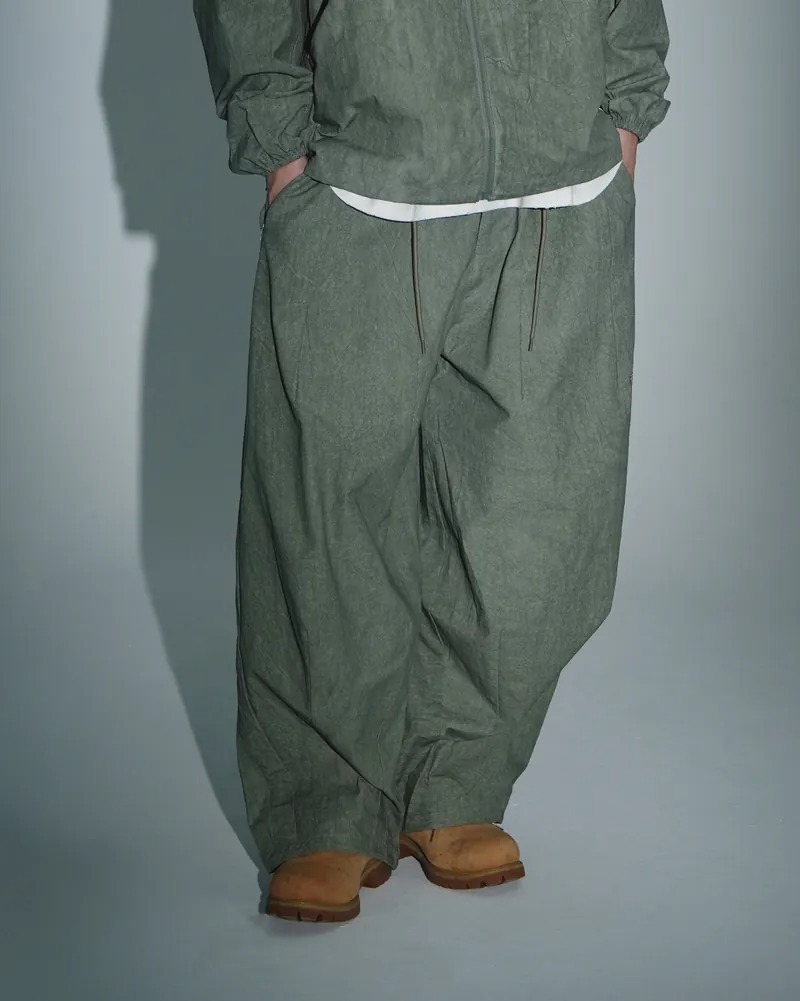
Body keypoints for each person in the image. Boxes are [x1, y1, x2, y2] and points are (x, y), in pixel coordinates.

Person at [193, 0, 670, 923]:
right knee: (326, 511)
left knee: (538, 516)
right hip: (364, 174)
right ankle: (326, 806)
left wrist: (623, 113)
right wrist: (281, 146)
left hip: (562, 190)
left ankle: (457, 781)